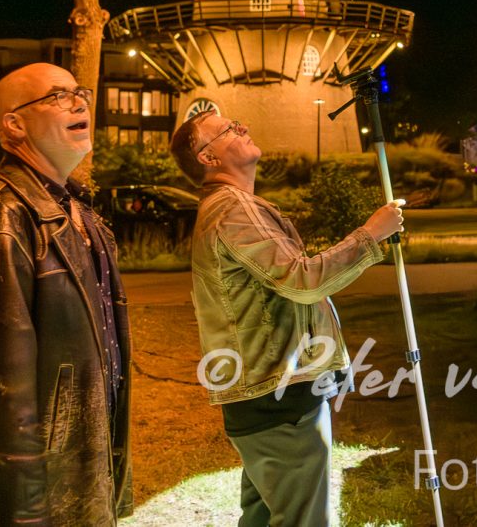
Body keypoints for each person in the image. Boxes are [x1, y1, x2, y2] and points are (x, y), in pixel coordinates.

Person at [169, 110, 404, 527]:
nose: (242, 127)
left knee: (263, 517)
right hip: (278, 396)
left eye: (237, 123)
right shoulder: (233, 209)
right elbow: (303, 279)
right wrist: (371, 234)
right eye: (228, 130)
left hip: (264, 393)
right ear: (208, 158)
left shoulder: (229, 207)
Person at [0, 63, 131, 526]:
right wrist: (26, 515)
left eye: (79, 92)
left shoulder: (78, 212)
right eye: (58, 96)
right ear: (14, 125)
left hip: (80, 487)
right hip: (38, 504)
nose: (79, 103)